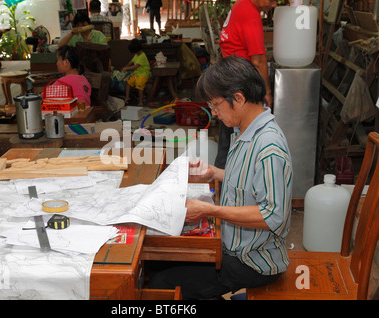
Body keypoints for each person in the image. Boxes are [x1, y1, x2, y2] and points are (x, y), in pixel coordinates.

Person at [148, 56, 293, 300]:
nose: (213, 113)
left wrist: (208, 210)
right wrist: (214, 173)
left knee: (162, 284)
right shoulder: (244, 129)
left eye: (215, 105)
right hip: (231, 244)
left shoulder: (269, 147)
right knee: (156, 262)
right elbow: (252, 183)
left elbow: (272, 216)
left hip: (252, 260)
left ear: (238, 98)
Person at [214, 0, 277, 170]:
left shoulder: (240, 5)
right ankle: (230, 183)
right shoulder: (251, 14)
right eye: (272, 0)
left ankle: (219, 186)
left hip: (230, 76)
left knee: (227, 140)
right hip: (240, 83)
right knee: (239, 140)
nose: (274, 5)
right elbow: (258, 61)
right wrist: (267, 91)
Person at [122, 39, 150, 106]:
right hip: (136, 73)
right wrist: (125, 66)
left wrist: (126, 68)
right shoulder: (136, 55)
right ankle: (127, 97)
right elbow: (131, 62)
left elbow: (135, 67)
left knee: (139, 84)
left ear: (136, 50)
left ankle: (140, 101)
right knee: (128, 81)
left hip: (143, 74)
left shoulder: (142, 56)